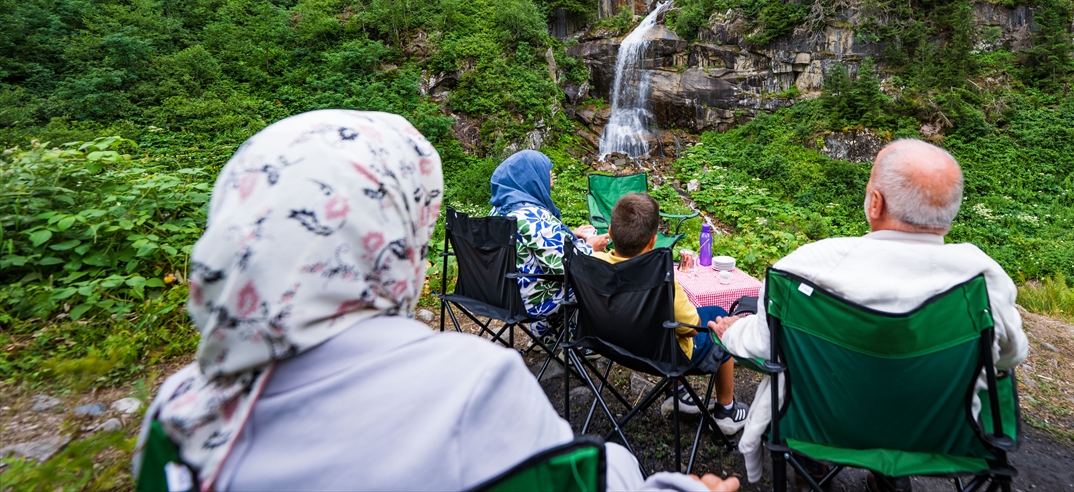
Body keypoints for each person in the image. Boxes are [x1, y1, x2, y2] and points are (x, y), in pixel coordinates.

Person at [133, 110, 738, 492]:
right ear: (395, 237)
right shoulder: (469, 389)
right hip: (578, 317)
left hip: (503, 302)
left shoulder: (178, 414)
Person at [710, 139, 1029, 492]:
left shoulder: (806, 267)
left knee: (789, 366)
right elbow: (1011, 356)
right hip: (936, 434)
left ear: (875, 203)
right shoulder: (984, 280)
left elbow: (761, 345)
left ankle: (811, 465)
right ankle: (889, 474)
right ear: (949, 212)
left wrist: (731, 331)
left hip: (820, 427)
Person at [594, 193, 749, 435]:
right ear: (653, 242)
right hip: (663, 355)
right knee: (718, 317)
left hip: (613, 342)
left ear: (610, 232)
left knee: (662, 323)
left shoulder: (594, 263)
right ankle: (726, 410)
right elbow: (690, 327)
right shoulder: (662, 282)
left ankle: (677, 393)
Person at [489, 149, 609, 331]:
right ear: (531, 178)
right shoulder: (534, 216)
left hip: (498, 296)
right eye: (548, 176)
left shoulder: (498, 211)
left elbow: (529, 249)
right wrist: (590, 247)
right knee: (601, 277)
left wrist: (568, 235)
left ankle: (548, 336)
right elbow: (563, 267)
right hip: (531, 302)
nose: (551, 183)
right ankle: (584, 343)